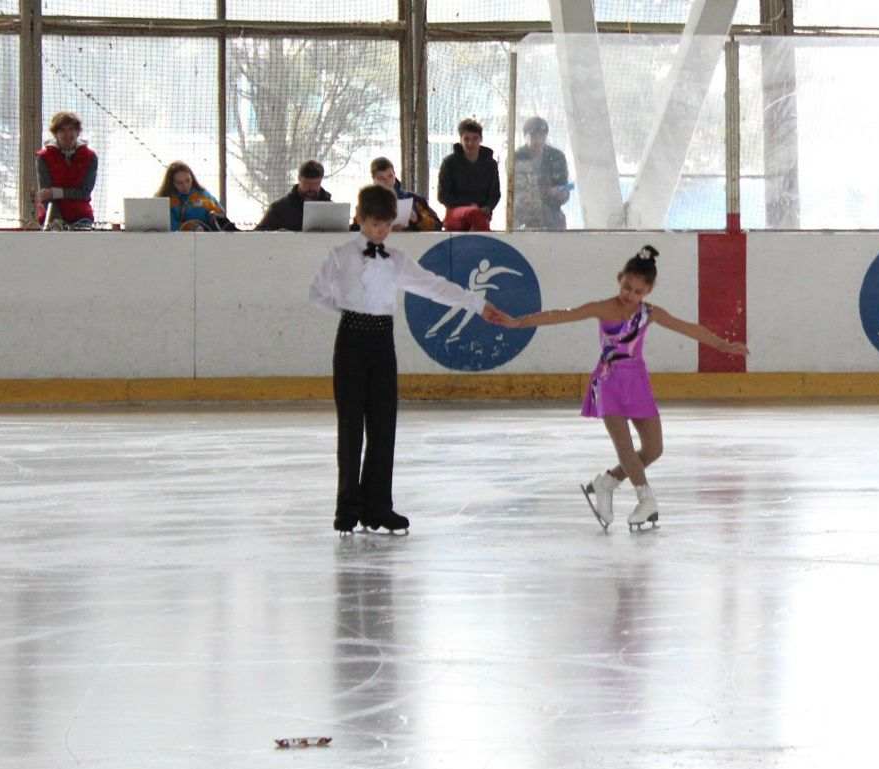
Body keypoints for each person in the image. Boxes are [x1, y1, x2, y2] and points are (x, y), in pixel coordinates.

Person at [492, 245, 748, 531]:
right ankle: (645, 498)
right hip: (609, 380)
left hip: (637, 381)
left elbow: (689, 328)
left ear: (648, 291)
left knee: (653, 449)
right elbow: (561, 315)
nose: (630, 295)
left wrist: (725, 346)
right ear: (619, 279)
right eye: (627, 287)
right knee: (625, 446)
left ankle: (606, 482)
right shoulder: (604, 308)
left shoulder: (650, 313)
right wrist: (518, 323)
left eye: (638, 291)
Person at [308, 184, 506, 536]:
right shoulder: (340, 255)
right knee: (351, 427)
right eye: (372, 225)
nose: (379, 232)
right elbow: (317, 293)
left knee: (383, 426)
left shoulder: (397, 261)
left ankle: (378, 507)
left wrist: (476, 304)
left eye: (385, 226)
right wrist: (347, 309)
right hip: (351, 341)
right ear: (359, 219)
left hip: (383, 341)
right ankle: (347, 509)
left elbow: (434, 286)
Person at [35, 111, 97, 228]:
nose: (67, 134)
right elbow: (45, 194)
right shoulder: (43, 157)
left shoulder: (90, 157)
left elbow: (84, 193)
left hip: (82, 218)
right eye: (62, 130)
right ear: (55, 133)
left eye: (71, 129)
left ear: (78, 132)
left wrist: (55, 193)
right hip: (52, 217)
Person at [437, 118, 501, 231]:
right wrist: (469, 205)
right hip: (455, 212)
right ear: (460, 140)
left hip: (481, 214)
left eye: (475, 138)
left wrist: (487, 207)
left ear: (481, 139)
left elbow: (495, 193)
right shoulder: (449, 163)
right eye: (466, 139)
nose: (470, 143)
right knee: (474, 213)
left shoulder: (490, 164)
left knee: (477, 216)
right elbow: (443, 195)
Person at [512, 116, 571, 230]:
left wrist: (562, 193)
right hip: (525, 217)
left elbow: (564, 188)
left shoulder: (557, 157)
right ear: (526, 137)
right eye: (534, 136)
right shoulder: (517, 158)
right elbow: (519, 191)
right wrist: (546, 192)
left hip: (551, 215)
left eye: (542, 136)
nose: (538, 141)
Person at [256, 160, 332, 231]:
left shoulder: (331, 209)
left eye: (315, 183)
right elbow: (259, 234)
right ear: (299, 179)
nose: (311, 187)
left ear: (321, 180)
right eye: (306, 183)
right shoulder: (279, 208)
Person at [370, 157, 442, 231]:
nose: (387, 181)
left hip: (411, 242)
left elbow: (437, 225)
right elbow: (358, 228)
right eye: (381, 178)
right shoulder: (367, 203)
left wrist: (417, 218)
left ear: (394, 175)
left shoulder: (414, 199)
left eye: (390, 176)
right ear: (374, 180)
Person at [155, 161, 226, 231]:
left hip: (206, 237)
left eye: (188, 180)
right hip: (178, 238)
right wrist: (191, 228)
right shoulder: (165, 200)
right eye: (179, 183)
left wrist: (213, 215)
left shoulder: (203, 195)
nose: (185, 186)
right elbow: (167, 225)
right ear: (171, 183)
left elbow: (221, 214)